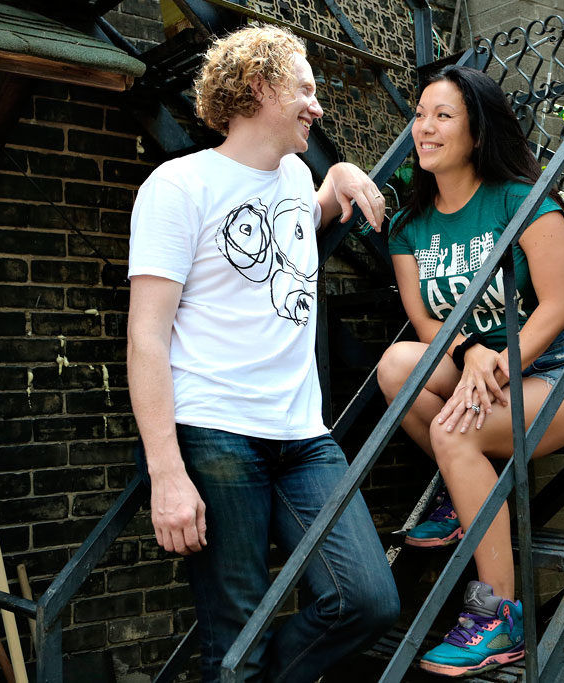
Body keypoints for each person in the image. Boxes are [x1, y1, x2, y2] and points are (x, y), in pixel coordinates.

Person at [127, 26, 399, 682]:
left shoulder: (296, 177)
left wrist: (341, 176)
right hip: (216, 434)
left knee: (366, 599)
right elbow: (145, 336)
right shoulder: (180, 186)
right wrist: (167, 474)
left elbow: (306, 216)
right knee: (236, 637)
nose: (318, 107)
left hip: (303, 437)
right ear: (259, 86)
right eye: (305, 89)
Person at [376, 65, 564, 677]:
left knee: (453, 431)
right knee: (396, 365)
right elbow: (425, 322)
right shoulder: (409, 226)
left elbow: (557, 307)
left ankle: (499, 616)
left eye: (443, 116)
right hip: (479, 367)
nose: (424, 128)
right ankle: (465, 490)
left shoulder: (521, 201)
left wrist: (498, 364)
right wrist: (469, 355)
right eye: (419, 115)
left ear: (477, 132)